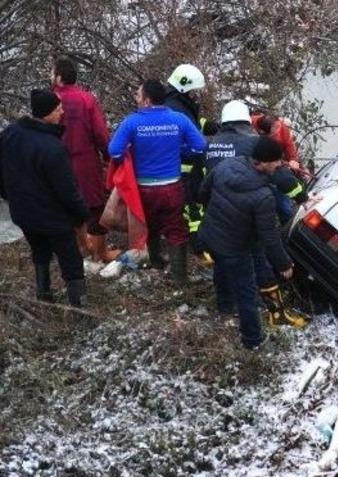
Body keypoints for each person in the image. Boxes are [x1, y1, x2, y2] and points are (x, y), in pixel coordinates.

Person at [197, 137, 301, 348]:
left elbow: (202, 194)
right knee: (246, 293)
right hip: (235, 247)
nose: (279, 164)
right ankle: (253, 340)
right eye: (277, 161)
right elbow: (269, 237)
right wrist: (284, 264)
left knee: (221, 268)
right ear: (264, 162)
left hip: (210, 235)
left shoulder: (226, 165)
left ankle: (224, 305)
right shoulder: (263, 196)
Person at [107, 79, 207, 286]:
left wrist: (132, 156)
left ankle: (156, 261)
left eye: (138, 94)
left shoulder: (131, 122)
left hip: (143, 188)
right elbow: (200, 146)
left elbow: (114, 151)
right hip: (172, 186)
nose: (136, 98)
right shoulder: (179, 119)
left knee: (149, 225)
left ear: (146, 99)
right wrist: (179, 152)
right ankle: (180, 279)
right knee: (176, 230)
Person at [0, 90, 90, 307]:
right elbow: (67, 190)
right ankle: (80, 308)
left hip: (23, 213)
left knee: (39, 251)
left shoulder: (11, 133)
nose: (62, 112)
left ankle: (44, 295)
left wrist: (8, 194)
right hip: (53, 218)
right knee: (71, 261)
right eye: (58, 108)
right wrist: (83, 214)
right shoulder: (53, 148)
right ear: (47, 113)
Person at [51, 57, 118, 263]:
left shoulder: (50, 100)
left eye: (52, 72)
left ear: (59, 77)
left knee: (64, 205)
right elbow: (100, 132)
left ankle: (80, 247)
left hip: (55, 161)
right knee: (94, 206)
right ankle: (100, 253)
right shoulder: (86, 99)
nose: (50, 75)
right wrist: (108, 157)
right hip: (85, 160)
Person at [209, 101, 310, 221]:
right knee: (281, 206)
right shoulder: (253, 141)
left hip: (217, 206)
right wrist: (302, 197)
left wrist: (293, 160)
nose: (277, 131)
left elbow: (202, 186)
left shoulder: (211, 144)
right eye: (274, 131)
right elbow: (280, 174)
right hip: (248, 199)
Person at [164, 64, 208, 245]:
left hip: (185, 165)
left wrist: (209, 125)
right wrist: (202, 146)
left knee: (190, 206)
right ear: (184, 88)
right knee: (192, 208)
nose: (195, 94)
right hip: (184, 167)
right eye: (193, 90)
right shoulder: (176, 109)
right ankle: (196, 244)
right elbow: (186, 135)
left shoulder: (177, 104)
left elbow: (193, 124)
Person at [250, 112, 312, 181]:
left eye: (278, 127)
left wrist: (293, 160)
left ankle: (305, 176)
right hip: (268, 155)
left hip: (278, 150)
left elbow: (289, 144)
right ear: (264, 133)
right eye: (275, 133)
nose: (278, 133)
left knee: (295, 164)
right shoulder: (251, 127)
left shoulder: (280, 127)